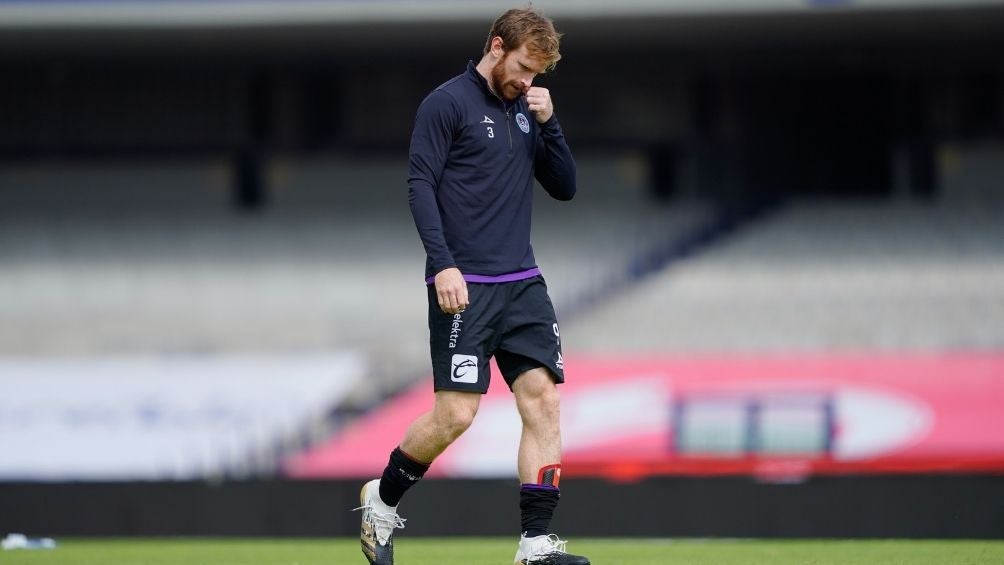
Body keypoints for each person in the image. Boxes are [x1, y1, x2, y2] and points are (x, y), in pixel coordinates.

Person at [354, 7, 589, 565]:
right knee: (456, 414)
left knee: (544, 402)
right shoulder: (446, 104)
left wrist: (550, 123)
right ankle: (381, 502)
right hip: (466, 284)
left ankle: (534, 545)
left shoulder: (530, 110)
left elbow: (566, 187)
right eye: (523, 67)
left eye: (538, 74)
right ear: (495, 45)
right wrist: (443, 264)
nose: (527, 81)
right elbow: (420, 185)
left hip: (523, 283)